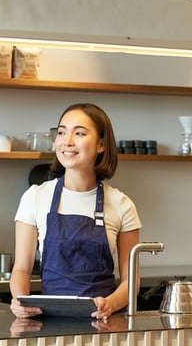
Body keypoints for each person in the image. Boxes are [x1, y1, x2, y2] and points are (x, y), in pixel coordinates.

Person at [10, 103, 142, 320]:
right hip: (48, 324)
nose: (67, 141)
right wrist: (20, 301)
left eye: (79, 133)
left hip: (103, 324)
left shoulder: (121, 203)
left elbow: (132, 281)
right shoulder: (34, 197)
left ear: (101, 145)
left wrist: (109, 304)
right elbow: (21, 269)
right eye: (62, 132)